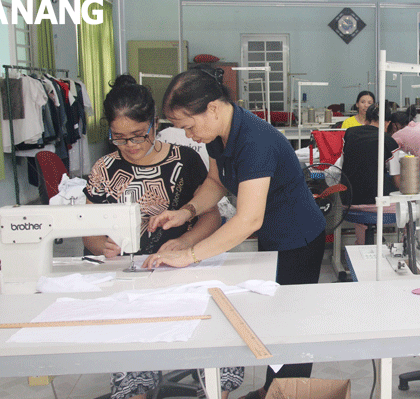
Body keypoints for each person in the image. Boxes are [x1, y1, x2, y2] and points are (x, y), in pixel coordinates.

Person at [142, 67, 327, 399]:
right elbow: (216, 183)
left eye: (188, 125)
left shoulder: (255, 141)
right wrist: (186, 212)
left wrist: (190, 254)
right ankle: (274, 390)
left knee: (291, 327)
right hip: (274, 235)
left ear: (213, 108)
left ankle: (288, 393)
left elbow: (248, 220)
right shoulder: (217, 135)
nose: (187, 135)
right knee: (275, 320)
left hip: (299, 238)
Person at [82, 74, 242, 399]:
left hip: (183, 271)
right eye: (120, 138)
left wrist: (185, 242)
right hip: (129, 279)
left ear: (155, 124)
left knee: (218, 344)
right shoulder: (104, 169)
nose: (132, 146)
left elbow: (210, 215)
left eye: (139, 135)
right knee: (130, 351)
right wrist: (102, 245)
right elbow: (89, 229)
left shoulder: (184, 160)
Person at [340, 103, 399, 245]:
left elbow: (341, 164)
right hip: (374, 204)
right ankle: (401, 244)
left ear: (366, 118)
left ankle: (362, 243)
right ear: (388, 123)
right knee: (411, 207)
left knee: (363, 194)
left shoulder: (349, 133)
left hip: (348, 201)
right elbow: (397, 177)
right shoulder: (389, 141)